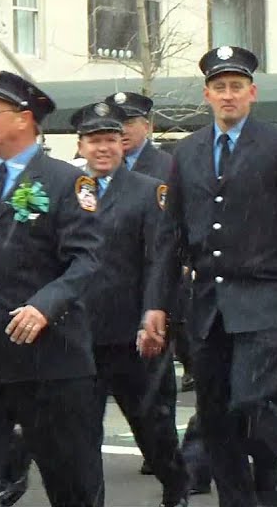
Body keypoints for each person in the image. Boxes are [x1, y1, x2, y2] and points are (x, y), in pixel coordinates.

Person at [166, 46, 277, 507]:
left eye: (237, 87)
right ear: (207, 94)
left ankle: (275, 495)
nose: (229, 96)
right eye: (220, 88)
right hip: (207, 306)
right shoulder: (187, 151)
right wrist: (156, 305)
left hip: (266, 301)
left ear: (252, 93)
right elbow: (172, 236)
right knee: (215, 416)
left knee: (252, 405)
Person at [0, 71, 104, 507]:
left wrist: (44, 306)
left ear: (24, 120)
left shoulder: (67, 182)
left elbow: (85, 259)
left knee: (71, 483)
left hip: (49, 360)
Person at [71, 101, 188, 507]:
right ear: (81, 146)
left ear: (122, 145)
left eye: (109, 140)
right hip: (79, 333)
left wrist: (152, 315)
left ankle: (175, 482)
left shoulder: (145, 191)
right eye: (93, 141)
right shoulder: (67, 191)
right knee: (81, 433)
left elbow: (160, 258)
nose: (102, 148)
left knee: (150, 424)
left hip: (131, 334)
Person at [105, 91, 173, 181]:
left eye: (129, 123)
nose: (122, 131)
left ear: (146, 127)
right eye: (116, 123)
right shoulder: (97, 165)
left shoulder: (168, 166)